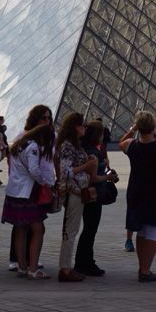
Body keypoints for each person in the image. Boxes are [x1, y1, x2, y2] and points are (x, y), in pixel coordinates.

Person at [119, 112, 156, 282]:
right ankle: (146, 270)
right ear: (153, 126)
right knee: (153, 231)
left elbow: (121, 142)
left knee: (141, 230)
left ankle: (142, 267)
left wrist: (133, 128)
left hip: (135, 190)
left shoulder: (130, 145)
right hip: (155, 190)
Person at [2, 122, 55, 279]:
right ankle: (33, 268)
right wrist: (43, 182)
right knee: (39, 229)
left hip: (14, 191)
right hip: (27, 193)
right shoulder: (33, 147)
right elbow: (34, 169)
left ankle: (22, 267)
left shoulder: (19, 144)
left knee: (21, 229)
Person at [56, 113, 98, 282]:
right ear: (75, 126)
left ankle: (66, 267)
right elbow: (66, 171)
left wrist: (87, 161)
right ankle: (65, 269)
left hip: (79, 192)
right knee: (70, 231)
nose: (85, 128)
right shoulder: (68, 146)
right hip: (74, 193)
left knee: (71, 230)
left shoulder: (74, 145)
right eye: (82, 125)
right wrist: (86, 165)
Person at [72, 120, 115, 278]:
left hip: (90, 195)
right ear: (97, 135)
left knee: (89, 230)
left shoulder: (85, 148)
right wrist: (109, 177)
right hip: (93, 196)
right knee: (90, 230)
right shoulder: (92, 153)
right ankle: (84, 263)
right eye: (102, 134)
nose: (104, 136)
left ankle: (85, 261)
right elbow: (93, 178)